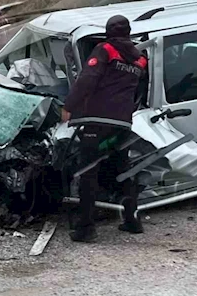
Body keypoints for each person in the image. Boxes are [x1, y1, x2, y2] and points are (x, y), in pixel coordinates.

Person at [62, 15, 148, 243]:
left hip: (97, 121)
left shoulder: (105, 50)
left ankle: (86, 229)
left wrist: (69, 106)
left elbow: (87, 79)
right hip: (122, 124)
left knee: (88, 172)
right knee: (122, 171)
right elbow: (139, 91)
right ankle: (132, 221)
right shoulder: (140, 60)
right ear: (128, 32)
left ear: (109, 31)